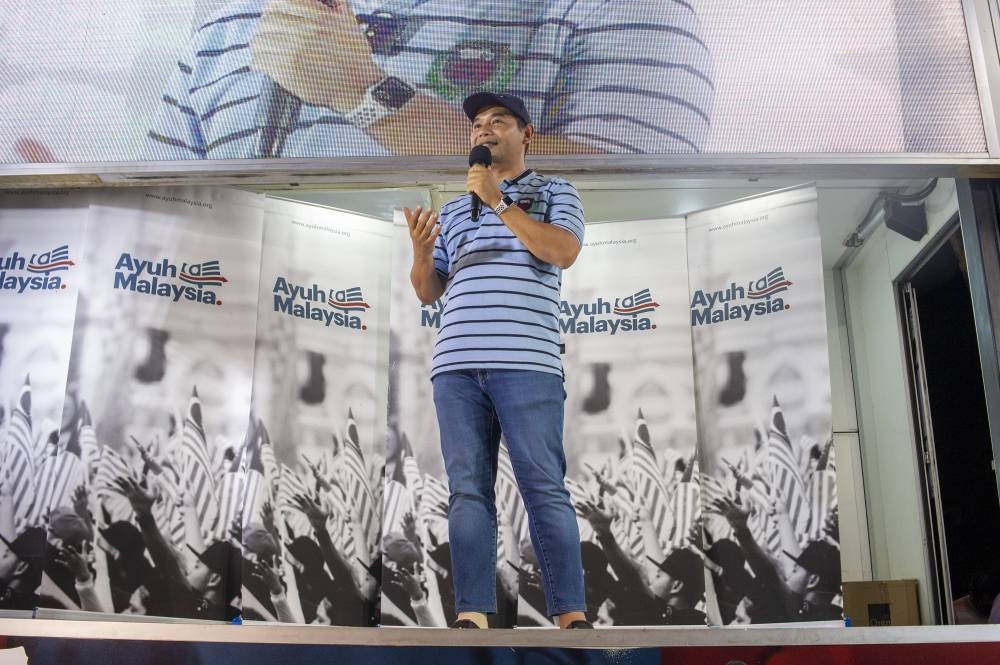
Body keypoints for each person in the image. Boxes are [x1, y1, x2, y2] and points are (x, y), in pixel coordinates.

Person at [404, 91, 589, 629]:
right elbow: (427, 291)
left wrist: (500, 201)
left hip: (526, 363)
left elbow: (562, 252)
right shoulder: (456, 208)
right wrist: (420, 254)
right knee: (467, 492)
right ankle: (473, 614)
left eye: (498, 122)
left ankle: (570, 615)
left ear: (525, 134)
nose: (483, 130)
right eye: (477, 124)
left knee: (543, 487)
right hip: (456, 367)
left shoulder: (555, 191)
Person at [146, 0, 713, 159]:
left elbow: (636, 219)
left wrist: (367, 97)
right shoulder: (235, 17)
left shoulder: (629, 10)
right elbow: (169, 223)